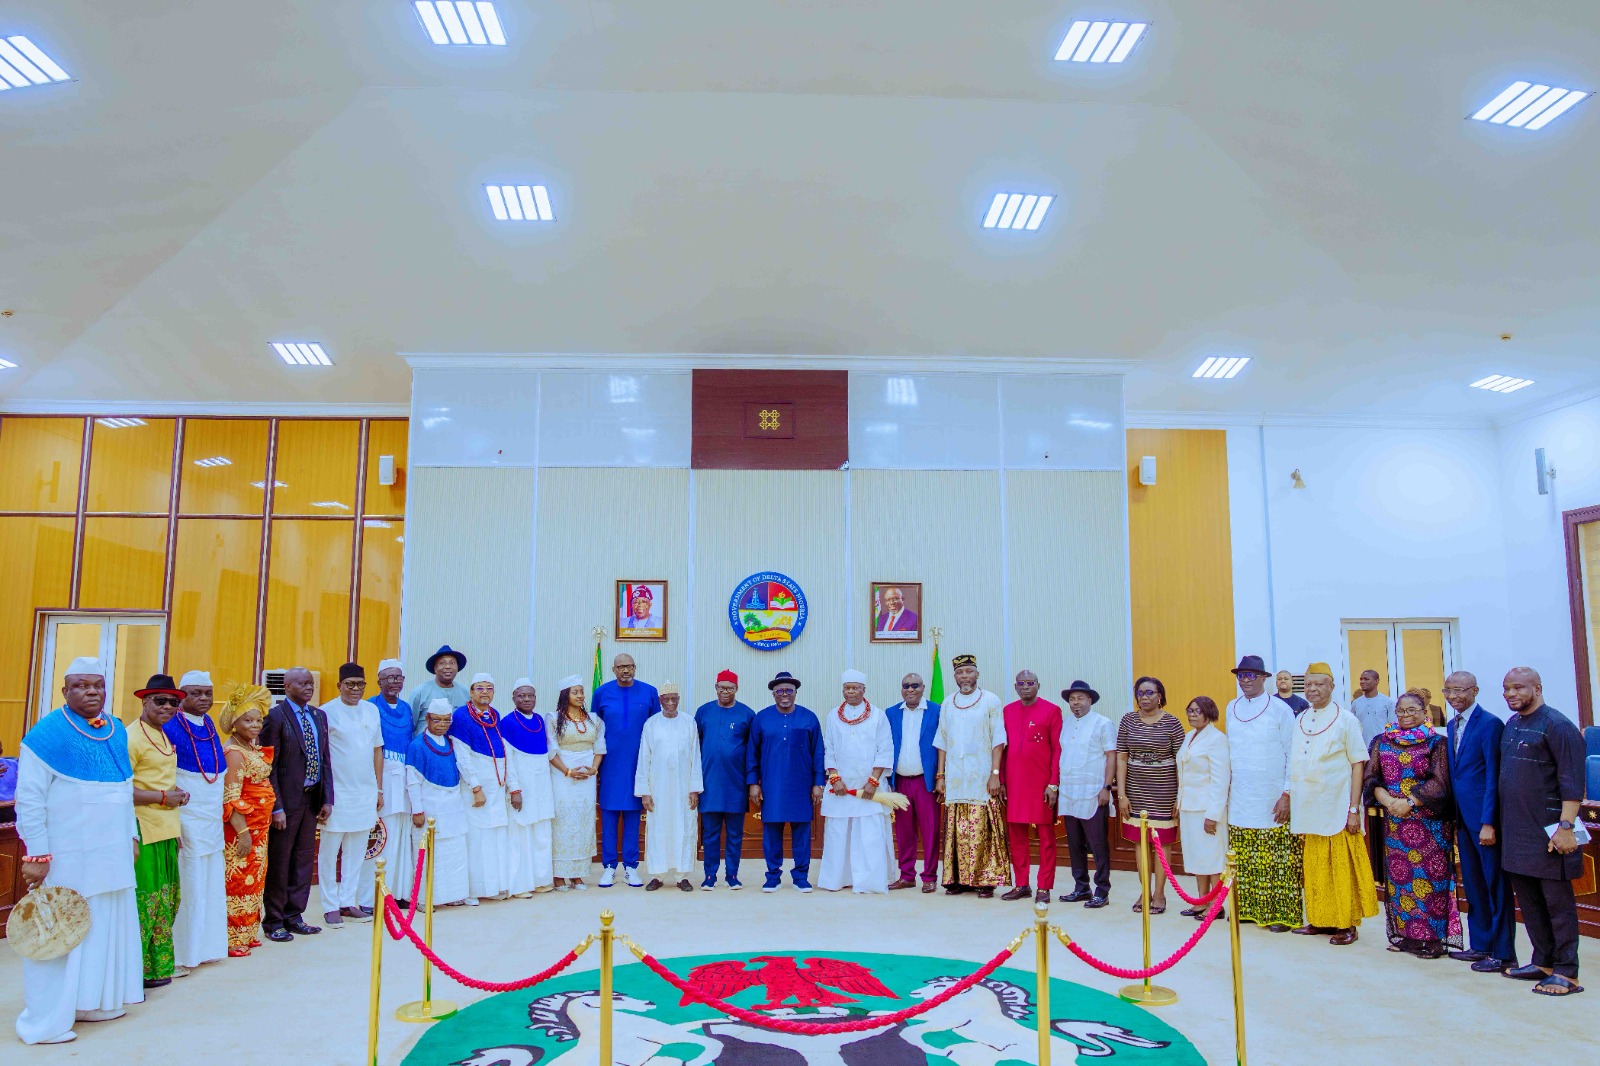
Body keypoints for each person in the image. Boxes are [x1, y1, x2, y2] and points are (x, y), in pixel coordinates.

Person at [15, 657, 143, 1045]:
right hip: (68, 855)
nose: (92, 692)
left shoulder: (116, 729)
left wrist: (131, 835)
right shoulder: (46, 734)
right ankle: (46, 1020)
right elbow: (30, 799)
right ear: (65, 691)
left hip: (112, 854)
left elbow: (123, 788)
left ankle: (93, 1001)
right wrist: (36, 855)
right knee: (61, 930)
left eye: (98, 685)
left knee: (105, 924)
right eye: (82, 686)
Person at [1497, 667, 1585, 996]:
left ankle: (1567, 971)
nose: (1510, 694)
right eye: (1506, 688)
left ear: (1537, 688)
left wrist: (1565, 828)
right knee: (1531, 903)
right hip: (1518, 832)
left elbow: (1572, 783)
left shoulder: (1558, 725)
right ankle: (1543, 961)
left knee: (1557, 905)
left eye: (1518, 688)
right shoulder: (1513, 724)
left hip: (1551, 831)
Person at [1364, 692, 1462, 958]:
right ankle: (1408, 935)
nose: (1406, 716)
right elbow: (1371, 777)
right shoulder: (1382, 741)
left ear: (1424, 712)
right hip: (1395, 823)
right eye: (1401, 711)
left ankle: (1432, 939)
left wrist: (1410, 801)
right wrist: (1386, 800)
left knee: (1430, 880)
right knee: (1400, 880)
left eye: (1412, 710)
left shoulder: (1436, 743)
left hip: (1428, 823)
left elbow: (1440, 783)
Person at [1289, 662, 1377, 946]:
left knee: (1341, 866)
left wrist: (1354, 809)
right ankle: (1320, 919)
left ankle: (1346, 922)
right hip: (1309, 806)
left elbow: (1358, 764)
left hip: (1337, 805)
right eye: (1309, 685)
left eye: (1319, 684)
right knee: (1315, 867)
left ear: (1331, 687)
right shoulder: (1301, 718)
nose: (1313, 689)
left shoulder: (1346, 720)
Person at [1443, 670, 1517, 972]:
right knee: (1473, 885)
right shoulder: (1451, 725)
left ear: (1474, 691)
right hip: (1463, 818)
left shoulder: (1489, 724)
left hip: (1485, 822)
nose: (1454, 697)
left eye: (1460, 690)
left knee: (1494, 886)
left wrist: (1489, 822)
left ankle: (1503, 953)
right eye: (1448, 691)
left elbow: (1492, 778)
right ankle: (1481, 944)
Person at [1225, 655, 1302, 932]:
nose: (1245, 680)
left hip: (1273, 797)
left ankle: (1280, 914)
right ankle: (1246, 909)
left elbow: (1292, 752)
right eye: (1241, 675)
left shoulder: (1279, 709)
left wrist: (1287, 794)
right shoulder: (1230, 707)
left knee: (1276, 859)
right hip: (1241, 798)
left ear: (1263, 678)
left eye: (1251, 675)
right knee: (1243, 857)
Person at [260, 666, 332, 942]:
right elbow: (270, 765)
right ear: (286, 686)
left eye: (310, 683)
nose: (308, 687)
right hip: (285, 803)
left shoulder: (318, 715)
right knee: (281, 861)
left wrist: (327, 798)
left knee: (303, 859)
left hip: (311, 799)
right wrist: (276, 806)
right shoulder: (275, 717)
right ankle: (274, 920)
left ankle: (295, 916)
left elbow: (325, 759)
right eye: (301, 683)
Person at [128, 673, 190, 988]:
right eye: (160, 701)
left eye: (173, 703)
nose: (167, 707)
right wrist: (165, 797)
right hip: (143, 828)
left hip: (166, 827)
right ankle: (132, 972)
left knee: (168, 899)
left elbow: (157, 780)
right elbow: (122, 790)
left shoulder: (164, 735)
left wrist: (173, 793)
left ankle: (157, 968)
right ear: (145, 701)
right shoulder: (132, 737)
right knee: (147, 900)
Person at [165, 669, 227, 972]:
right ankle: (184, 954)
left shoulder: (209, 723)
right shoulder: (169, 725)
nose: (203, 699)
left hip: (211, 819)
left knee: (210, 882)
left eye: (208, 693)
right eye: (195, 693)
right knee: (190, 885)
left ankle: (208, 948)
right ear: (181, 695)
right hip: (186, 818)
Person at [934, 654, 1009, 899]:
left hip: (982, 776)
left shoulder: (990, 701)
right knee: (957, 827)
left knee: (981, 826)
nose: (964, 676)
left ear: (977, 674)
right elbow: (942, 741)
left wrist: (995, 774)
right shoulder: (947, 703)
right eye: (960, 672)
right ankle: (958, 879)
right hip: (956, 776)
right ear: (954, 676)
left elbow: (998, 740)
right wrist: (941, 775)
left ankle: (984, 880)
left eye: (969, 671)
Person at [820, 670, 896, 894]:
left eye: (855, 688)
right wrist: (834, 778)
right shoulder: (833, 715)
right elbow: (829, 749)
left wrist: (873, 781)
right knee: (838, 834)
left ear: (864, 689)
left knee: (869, 835)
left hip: (869, 787)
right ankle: (837, 879)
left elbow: (885, 749)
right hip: (840, 788)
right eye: (847, 688)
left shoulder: (878, 716)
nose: (851, 691)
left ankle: (870, 881)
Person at [316, 663, 381, 927]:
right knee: (330, 851)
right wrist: (323, 796)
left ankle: (348, 902)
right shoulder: (326, 712)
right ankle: (330, 905)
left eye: (360, 684)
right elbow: (319, 757)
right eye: (350, 684)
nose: (355, 689)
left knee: (356, 851)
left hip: (364, 792)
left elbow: (378, 750)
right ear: (339, 685)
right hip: (336, 793)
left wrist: (378, 789)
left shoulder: (372, 710)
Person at [748, 671, 825, 893]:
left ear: (795, 693)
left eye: (788, 691)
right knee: (772, 831)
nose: (784, 695)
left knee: (801, 832)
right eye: (779, 691)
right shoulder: (761, 718)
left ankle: (801, 876)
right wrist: (754, 782)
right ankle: (773, 876)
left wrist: (818, 783)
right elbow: (752, 752)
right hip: (772, 785)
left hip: (801, 786)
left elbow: (818, 752)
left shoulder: (809, 718)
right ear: (773, 694)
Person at [1117, 676, 1184, 914]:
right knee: (1139, 842)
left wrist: (1180, 796)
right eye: (1140, 693)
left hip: (1164, 791)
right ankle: (1144, 891)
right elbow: (1122, 757)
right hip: (1135, 790)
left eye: (1150, 693)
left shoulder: (1172, 723)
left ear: (1160, 696)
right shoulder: (1128, 721)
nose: (1144, 697)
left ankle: (1159, 894)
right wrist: (1122, 795)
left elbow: (1181, 762)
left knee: (1161, 843)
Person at [592, 653, 661, 889]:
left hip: (638, 764)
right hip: (610, 765)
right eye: (621, 667)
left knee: (633, 815)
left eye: (630, 666)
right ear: (613, 669)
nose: (626, 671)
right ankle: (609, 867)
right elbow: (594, 728)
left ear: (635, 667)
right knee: (609, 815)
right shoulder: (601, 693)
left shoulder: (649, 692)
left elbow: (656, 729)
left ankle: (631, 866)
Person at [449, 673, 517, 903]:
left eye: (489, 688)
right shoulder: (461, 716)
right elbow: (462, 756)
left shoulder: (495, 715)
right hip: (476, 787)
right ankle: (472, 890)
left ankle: (494, 886)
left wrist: (512, 786)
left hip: (496, 786)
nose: (485, 692)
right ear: (471, 691)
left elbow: (506, 752)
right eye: (480, 688)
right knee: (476, 839)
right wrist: (475, 787)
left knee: (496, 836)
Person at [220, 684, 275, 957]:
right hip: (241, 831)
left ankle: (248, 932)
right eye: (248, 720)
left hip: (259, 830)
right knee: (238, 882)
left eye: (258, 720)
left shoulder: (249, 747)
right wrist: (242, 833)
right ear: (233, 723)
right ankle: (232, 938)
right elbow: (231, 796)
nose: (255, 725)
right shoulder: (234, 753)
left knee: (255, 880)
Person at [1000, 670, 1062, 904]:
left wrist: (1053, 783)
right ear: (1015, 687)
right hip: (1014, 784)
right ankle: (1022, 883)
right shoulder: (1007, 711)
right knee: (1016, 836)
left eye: (1030, 683)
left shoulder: (1052, 710)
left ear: (1038, 685)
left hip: (1041, 785)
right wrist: (1002, 781)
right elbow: (1002, 748)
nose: (1026, 687)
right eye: (1021, 683)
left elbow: (1057, 749)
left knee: (1046, 836)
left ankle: (1044, 886)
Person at [635, 683, 703, 892]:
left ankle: (682, 875)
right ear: (660, 701)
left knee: (684, 827)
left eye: (675, 699)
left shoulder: (689, 722)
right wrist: (645, 792)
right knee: (658, 828)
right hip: (659, 788)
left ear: (679, 699)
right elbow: (643, 759)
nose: (671, 703)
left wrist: (694, 788)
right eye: (667, 699)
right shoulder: (651, 724)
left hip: (683, 788)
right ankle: (658, 874)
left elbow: (695, 757)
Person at [406, 700, 474, 907]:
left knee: (454, 852)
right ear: (427, 719)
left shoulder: (452, 743)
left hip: (453, 806)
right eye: (437, 720)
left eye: (446, 720)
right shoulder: (417, 745)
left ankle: (453, 896)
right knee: (428, 855)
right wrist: (417, 810)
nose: (442, 724)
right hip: (430, 807)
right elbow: (412, 781)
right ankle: (424, 899)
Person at [1056, 680, 1115, 908]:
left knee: (1098, 844)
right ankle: (1081, 887)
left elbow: (1111, 756)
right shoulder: (1067, 723)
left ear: (1090, 700)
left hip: (1093, 792)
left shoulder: (1103, 723)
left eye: (1080, 698)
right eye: (1072, 699)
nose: (1075, 703)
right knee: (1074, 843)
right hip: (1070, 792)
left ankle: (1102, 890)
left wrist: (1106, 788)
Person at [695, 669, 755, 890]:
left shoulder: (747, 715)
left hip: (736, 786)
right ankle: (710, 875)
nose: (725, 692)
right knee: (709, 834)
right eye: (721, 688)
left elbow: (753, 752)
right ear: (716, 688)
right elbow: (695, 749)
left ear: (737, 689)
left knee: (734, 834)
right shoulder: (703, 712)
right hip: (709, 784)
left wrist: (752, 783)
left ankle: (732, 875)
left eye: (730, 688)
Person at [886, 671, 941, 892]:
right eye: (906, 686)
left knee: (930, 830)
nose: (910, 690)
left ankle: (929, 876)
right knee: (904, 832)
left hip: (926, 782)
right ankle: (907, 875)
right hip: (900, 782)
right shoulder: (891, 713)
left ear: (923, 687)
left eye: (915, 686)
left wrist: (941, 777)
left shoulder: (936, 711)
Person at [547, 677, 604, 891]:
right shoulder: (553, 718)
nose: (580, 696)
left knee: (583, 821)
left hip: (587, 777)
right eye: (575, 692)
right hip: (562, 776)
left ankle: (578, 875)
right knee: (562, 822)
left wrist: (594, 769)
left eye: (582, 692)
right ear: (565, 695)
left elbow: (599, 748)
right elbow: (551, 750)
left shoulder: (594, 719)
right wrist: (567, 771)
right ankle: (559, 875)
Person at [1177, 696, 1230, 919]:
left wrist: (1213, 814)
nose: (1192, 714)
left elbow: (1221, 779)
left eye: (1197, 711)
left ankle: (1216, 905)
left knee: (1212, 858)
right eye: (1189, 710)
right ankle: (1201, 901)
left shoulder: (1217, 739)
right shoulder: (1189, 736)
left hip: (1207, 809)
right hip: (1188, 806)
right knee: (1197, 858)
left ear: (1209, 713)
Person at [503, 678, 556, 897]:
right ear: (513, 698)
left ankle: (541, 880)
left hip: (542, 785)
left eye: (530, 695)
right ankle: (520, 885)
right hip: (522, 787)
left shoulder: (540, 720)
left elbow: (549, 752)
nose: (526, 699)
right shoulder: (507, 722)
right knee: (521, 837)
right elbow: (507, 760)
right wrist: (515, 789)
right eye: (521, 695)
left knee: (541, 834)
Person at [369, 659, 415, 903]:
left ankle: (398, 891)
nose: (394, 681)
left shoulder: (407, 708)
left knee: (401, 833)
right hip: (382, 775)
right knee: (382, 834)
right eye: (388, 677)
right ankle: (376, 894)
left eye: (398, 677)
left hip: (404, 777)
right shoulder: (370, 707)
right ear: (379, 681)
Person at [408, 645, 470, 735]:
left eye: (452, 663)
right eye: (442, 663)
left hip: (455, 746)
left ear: (457, 668)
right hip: (425, 746)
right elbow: (409, 725)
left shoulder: (466, 693)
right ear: (435, 668)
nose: (448, 666)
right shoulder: (419, 692)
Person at [1351, 669, 1396, 747]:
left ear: (1377, 681)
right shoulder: (1356, 703)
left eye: (1366, 679)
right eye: (1361, 679)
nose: (1362, 682)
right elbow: (1352, 727)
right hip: (1362, 749)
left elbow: (1393, 727)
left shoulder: (1388, 702)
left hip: (1382, 748)